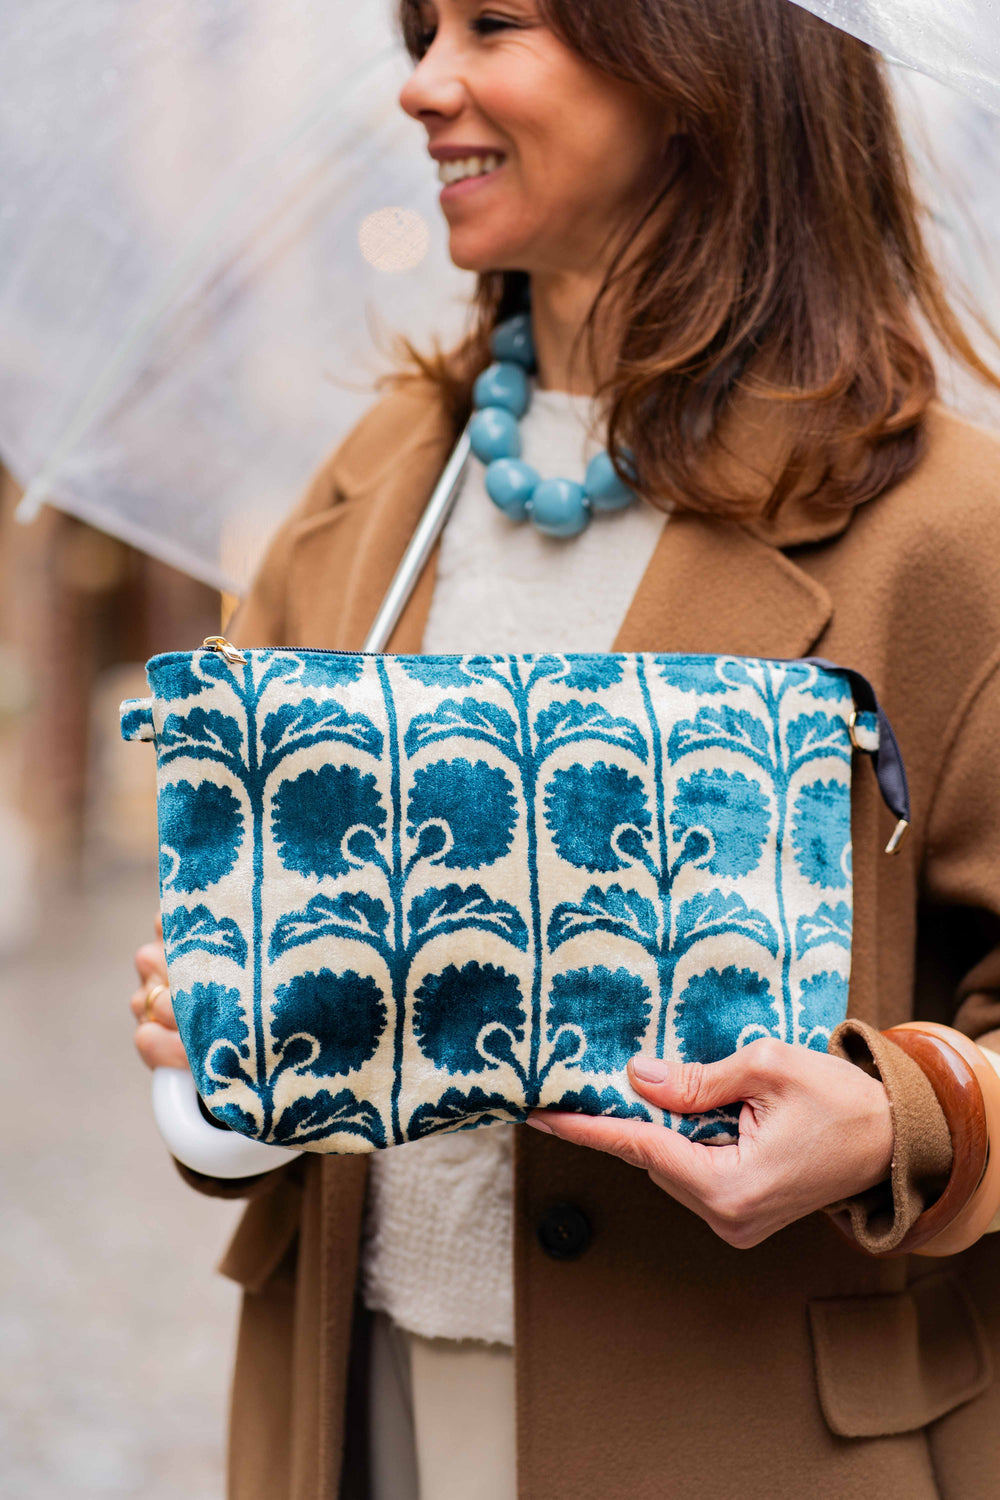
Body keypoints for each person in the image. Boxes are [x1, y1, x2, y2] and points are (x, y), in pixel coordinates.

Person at [130, 1, 1000, 1496]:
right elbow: (245, 942)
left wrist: (897, 1119)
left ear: (697, 66)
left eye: (496, 23)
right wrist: (216, 1037)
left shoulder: (944, 530)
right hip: (356, 1405)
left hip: (750, 1438)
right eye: (420, 29)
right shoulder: (384, 479)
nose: (423, 84)